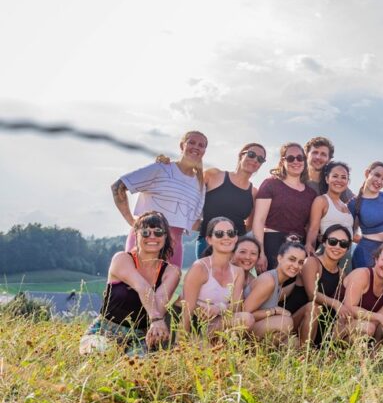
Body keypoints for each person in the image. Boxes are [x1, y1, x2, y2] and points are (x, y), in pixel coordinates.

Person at [80, 212, 181, 356]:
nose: (152, 236)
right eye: (145, 232)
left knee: (136, 369)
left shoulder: (171, 272)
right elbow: (142, 286)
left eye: (158, 232)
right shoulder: (122, 259)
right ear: (136, 235)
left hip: (139, 336)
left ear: (165, 236)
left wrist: (156, 321)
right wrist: (157, 319)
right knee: (100, 353)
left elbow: (159, 305)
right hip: (104, 330)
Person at [111, 130, 206, 269]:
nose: (196, 147)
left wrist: (232, 227)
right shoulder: (161, 169)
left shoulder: (200, 185)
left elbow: (193, 223)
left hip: (174, 250)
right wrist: (131, 221)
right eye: (191, 142)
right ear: (182, 145)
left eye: (201, 145)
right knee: (133, 289)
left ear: (204, 151)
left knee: (165, 290)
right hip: (146, 240)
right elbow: (118, 187)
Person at [180, 217, 253, 339]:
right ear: (209, 240)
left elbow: (236, 306)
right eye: (219, 234)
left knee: (247, 319)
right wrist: (181, 340)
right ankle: (199, 342)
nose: (226, 237)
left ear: (235, 238)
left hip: (219, 323)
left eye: (230, 233)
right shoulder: (200, 268)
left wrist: (218, 308)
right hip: (197, 324)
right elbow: (187, 308)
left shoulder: (238, 272)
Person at [253, 143, 318, 270]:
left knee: (291, 289)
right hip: (272, 244)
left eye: (300, 158)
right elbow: (259, 221)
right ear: (283, 161)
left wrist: (309, 245)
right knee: (271, 286)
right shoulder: (270, 184)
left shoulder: (311, 194)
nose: (296, 161)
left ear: (304, 161)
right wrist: (260, 252)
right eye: (290, 158)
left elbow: (310, 226)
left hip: (298, 247)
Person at [195, 142, 265, 258]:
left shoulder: (254, 192)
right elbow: (188, 189)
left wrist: (235, 237)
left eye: (260, 159)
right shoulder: (213, 175)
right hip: (208, 242)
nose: (255, 160)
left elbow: (250, 225)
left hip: (237, 246)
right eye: (251, 154)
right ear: (241, 155)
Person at [292, 224, 353, 347]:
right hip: (297, 320)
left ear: (347, 248)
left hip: (320, 324)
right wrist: (336, 304)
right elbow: (311, 295)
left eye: (343, 244)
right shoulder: (312, 262)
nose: (337, 246)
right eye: (333, 241)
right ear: (324, 242)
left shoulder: (342, 273)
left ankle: (328, 351)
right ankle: (304, 355)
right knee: (314, 307)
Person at [242, 241, 305, 345]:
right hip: (242, 331)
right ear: (279, 258)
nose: (296, 265)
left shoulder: (279, 282)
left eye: (300, 262)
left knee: (293, 343)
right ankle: (251, 354)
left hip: (257, 329)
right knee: (285, 323)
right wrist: (274, 311)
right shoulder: (268, 281)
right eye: (292, 259)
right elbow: (245, 314)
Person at [340, 241, 383, 345]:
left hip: (367, 330)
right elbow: (349, 308)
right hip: (340, 327)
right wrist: (380, 318)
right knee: (368, 327)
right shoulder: (362, 275)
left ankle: (376, 345)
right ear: (376, 259)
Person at [348, 161, 383, 270]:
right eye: (377, 175)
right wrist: (367, 241)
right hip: (365, 253)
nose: (379, 181)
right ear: (367, 173)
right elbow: (348, 233)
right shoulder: (353, 203)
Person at [305, 161, 355, 259]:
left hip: (346, 256)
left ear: (347, 182)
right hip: (328, 253)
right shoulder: (321, 201)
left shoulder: (345, 206)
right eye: (335, 176)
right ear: (327, 179)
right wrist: (309, 245)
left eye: (343, 177)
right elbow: (313, 229)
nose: (339, 180)